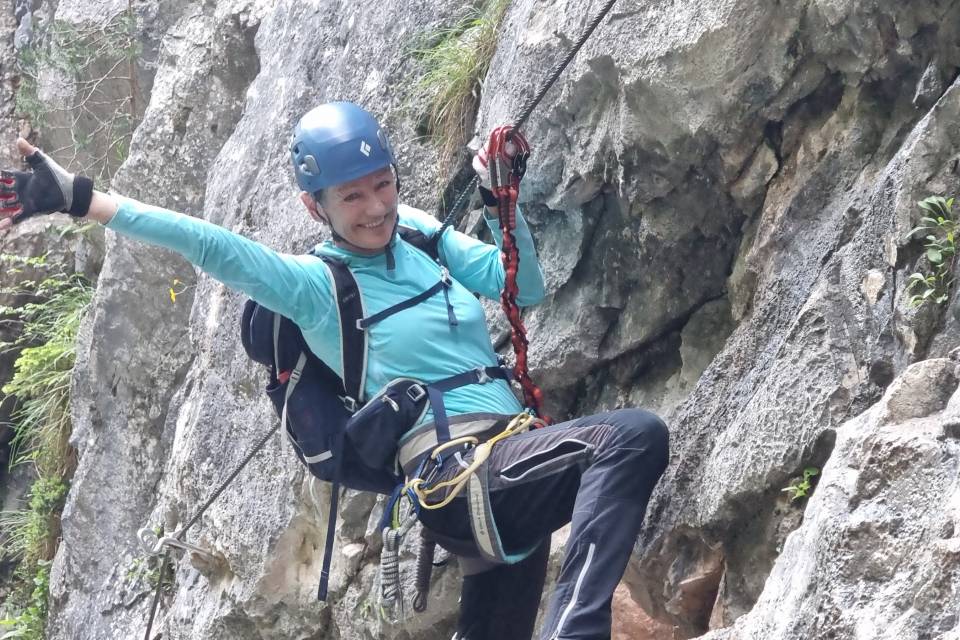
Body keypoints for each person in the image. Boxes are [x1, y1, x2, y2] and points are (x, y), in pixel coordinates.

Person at [0, 102, 669, 640]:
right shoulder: (315, 287)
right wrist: (83, 198)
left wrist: (503, 207)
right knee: (629, 438)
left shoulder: (418, 234)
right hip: (458, 477)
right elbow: (208, 244)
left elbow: (520, 286)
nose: (376, 207)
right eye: (352, 197)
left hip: (505, 461)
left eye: (384, 184)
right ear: (314, 205)